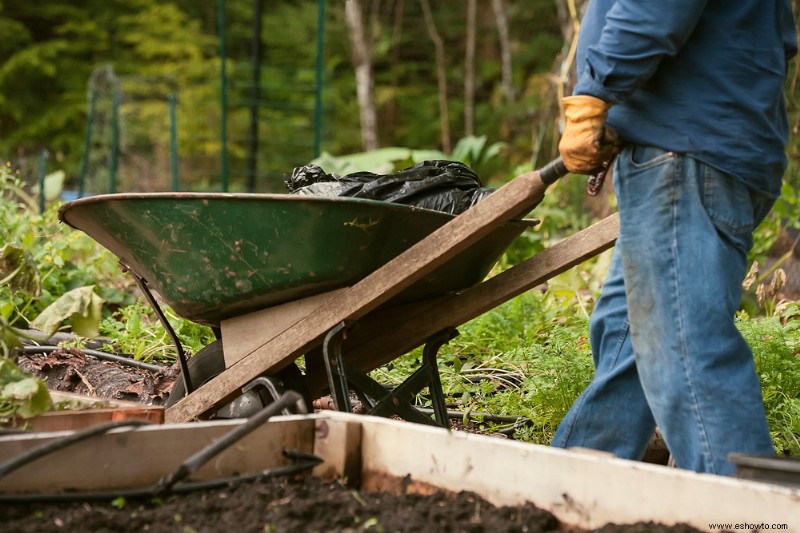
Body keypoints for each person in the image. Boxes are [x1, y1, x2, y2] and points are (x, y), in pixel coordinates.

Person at [552, 0, 798, 476]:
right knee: (629, 344)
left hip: (685, 147)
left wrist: (593, 97)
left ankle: (750, 519)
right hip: (707, 140)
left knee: (685, 351)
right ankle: (567, 493)